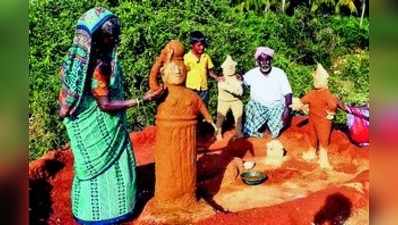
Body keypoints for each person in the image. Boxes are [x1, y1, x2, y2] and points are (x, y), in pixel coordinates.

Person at [58, 7, 162, 225]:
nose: (114, 38)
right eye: (109, 34)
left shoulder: (73, 58)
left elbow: (69, 98)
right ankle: (113, 212)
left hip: (79, 123)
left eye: (114, 33)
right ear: (97, 37)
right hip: (101, 125)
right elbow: (105, 105)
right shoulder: (100, 66)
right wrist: (143, 99)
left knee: (88, 172)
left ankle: (86, 211)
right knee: (113, 166)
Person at [147, 40, 216, 212]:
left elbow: (201, 107)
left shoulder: (191, 95)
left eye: (180, 67)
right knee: (168, 170)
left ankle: (187, 198)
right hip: (167, 141)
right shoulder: (161, 92)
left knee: (186, 172)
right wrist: (161, 59)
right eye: (173, 68)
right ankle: (166, 200)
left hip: (187, 141)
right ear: (164, 73)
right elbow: (152, 79)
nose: (178, 70)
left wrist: (210, 121)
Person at [291, 64, 347, 169]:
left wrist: (331, 113)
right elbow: (303, 100)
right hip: (312, 119)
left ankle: (323, 157)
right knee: (312, 135)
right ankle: (312, 152)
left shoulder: (326, 93)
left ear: (325, 81)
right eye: (316, 79)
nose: (317, 81)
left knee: (323, 138)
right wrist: (297, 104)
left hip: (323, 121)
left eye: (319, 79)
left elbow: (333, 104)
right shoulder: (312, 93)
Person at [243, 46, 293, 139]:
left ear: (271, 61)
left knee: (275, 133)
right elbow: (242, 81)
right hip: (258, 107)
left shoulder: (279, 73)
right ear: (257, 62)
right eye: (261, 61)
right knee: (250, 106)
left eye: (267, 61)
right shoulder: (252, 73)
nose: (264, 63)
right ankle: (255, 128)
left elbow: (288, 93)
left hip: (275, 107)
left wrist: (287, 110)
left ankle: (268, 127)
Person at [184, 31, 224, 104]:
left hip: (204, 90)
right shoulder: (186, 58)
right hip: (191, 89)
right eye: (199, 45)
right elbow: (183, 73)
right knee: (191, 110)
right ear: (192, 45)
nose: (202, 47)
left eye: (203, 45)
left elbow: (210, 72)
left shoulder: (206, 57)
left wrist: (217, 78)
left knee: (203, 109)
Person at [216, 55, 244, 140]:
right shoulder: (222, 79)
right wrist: (235, 89)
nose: (230, 68)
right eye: (228, 66)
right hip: (223, 101)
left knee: (238, 117)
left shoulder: (236, 77)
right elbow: (233, 89)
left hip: (236, 101)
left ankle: (239, 132)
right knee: (220, 117)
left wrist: (238, 85)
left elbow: (240, 90)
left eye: (232, 66)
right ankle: (217, 133)